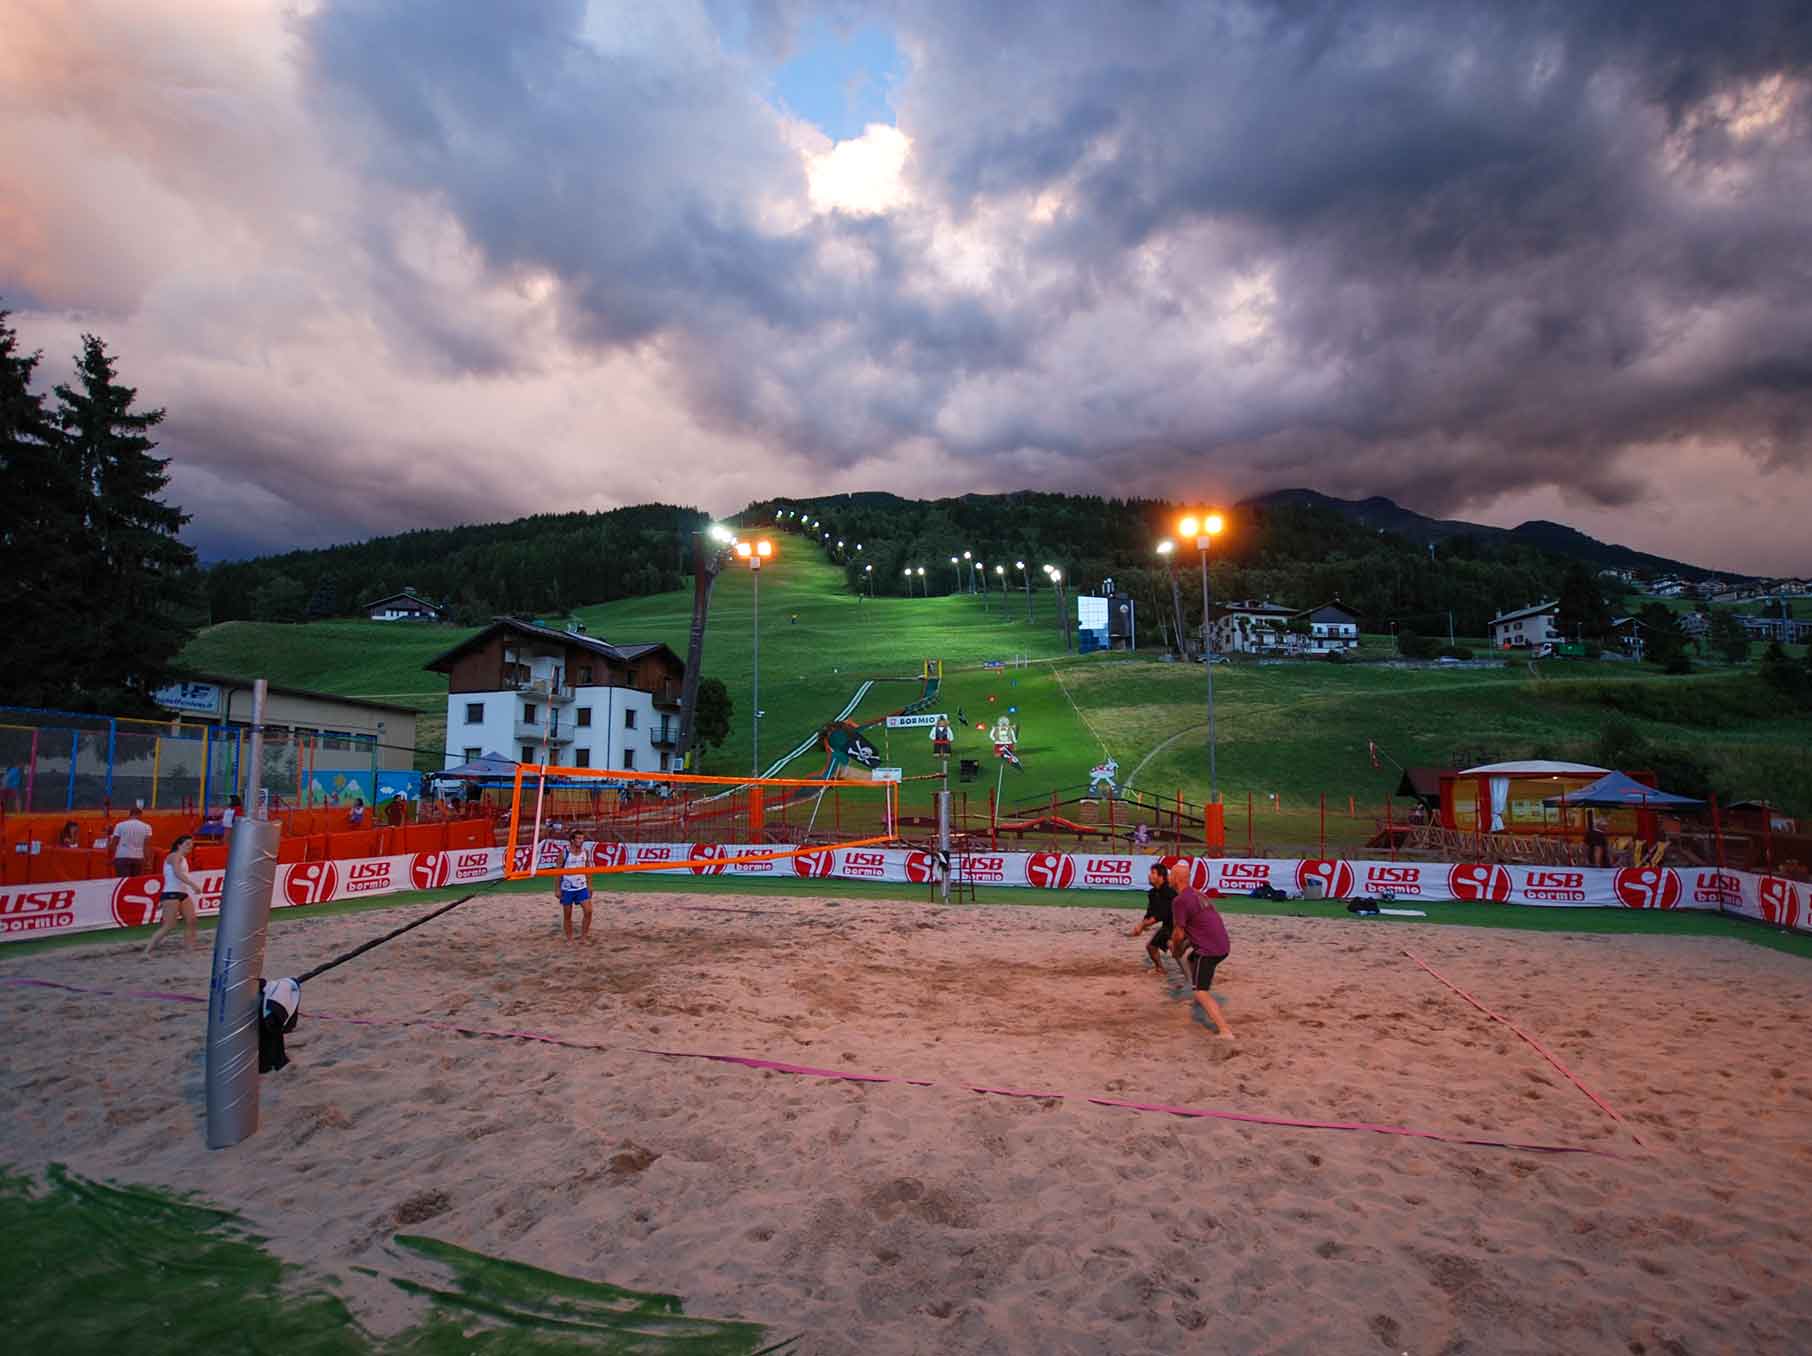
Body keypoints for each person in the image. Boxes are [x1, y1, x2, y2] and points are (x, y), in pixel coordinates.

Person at [1168, 861, 1234, 1040]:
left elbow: (1179, 933)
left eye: (1170, 875)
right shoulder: (1198, 893)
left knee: (1201, 991)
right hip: (1222, 944)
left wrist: (1175, 947)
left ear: (1175, 878)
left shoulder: (1179, 900)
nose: (1168, 877)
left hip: (1209, 949)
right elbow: (1200, 925)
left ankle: (1225, 1031)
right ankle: (1197, 993)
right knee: (1191, 959)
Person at [145, 833, 201, 955]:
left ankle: (190, 949)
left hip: (182, 893)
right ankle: (146, 951)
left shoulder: (182, 858)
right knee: (169, 925)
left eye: (191, 844)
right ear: (179, 845)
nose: (190, 846)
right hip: (171, 893)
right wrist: (193, 885)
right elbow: (177, 873)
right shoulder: (174, 856)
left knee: (192, 920)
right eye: (187, 844)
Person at [1129, 863, 1176, 981]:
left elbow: (1162, 914)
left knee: (1176, 949)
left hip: (1180, 925)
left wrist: (1142, 925)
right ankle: (1160, 969)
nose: (1149, 875)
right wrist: (1140, 926)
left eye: (1153, 873)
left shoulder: (1169, 892)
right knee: (1151, 947)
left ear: (1161, 877)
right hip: (1168, 925)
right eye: (1150, 872)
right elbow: (1150, 913)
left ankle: (1192, 975)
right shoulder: (1152, 893)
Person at [557, 828, 594, 943]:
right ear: (572, 840)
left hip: (581, 887)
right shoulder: (564, 853)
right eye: (578, 838)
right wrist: (557, 889)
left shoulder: (585, 852)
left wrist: (590, 885)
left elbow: (588, 870)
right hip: (567, 888)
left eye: (582, 838)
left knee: (588, 911)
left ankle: (583, 938)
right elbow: (557, 872)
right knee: (568, 915)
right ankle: (569, 939)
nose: (581, 840)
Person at [108, 803, 154, 878]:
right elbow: (146, 846)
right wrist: (148, 861)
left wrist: (111, 858)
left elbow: (114, 843)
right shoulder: (147, 827)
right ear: (140, 815)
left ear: (130, 814)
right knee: (134, 883)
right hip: (138, 857)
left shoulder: (120, 825)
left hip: (122, 856)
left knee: (122, 882)